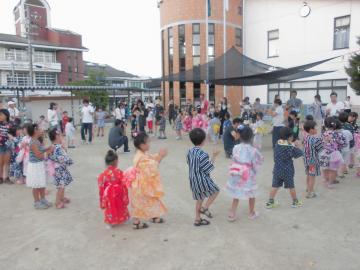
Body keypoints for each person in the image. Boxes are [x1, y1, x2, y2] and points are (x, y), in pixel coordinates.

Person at [226, 126, 263, 222]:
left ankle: (232, 214)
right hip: (248, 174)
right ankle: (251, 213)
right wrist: (254, 171)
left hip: (237, 172)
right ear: (251, 137)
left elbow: (233, 159)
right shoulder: (254, 150)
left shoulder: (236, 147)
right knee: (251, 194)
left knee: (236, 194)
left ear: (240, 136)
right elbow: (256, 163)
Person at [131, 133, 168, 229]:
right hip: (140, 184)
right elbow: (152, 167)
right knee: (139, 203)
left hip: (144, 183)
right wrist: (160, 156)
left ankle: (154, 216)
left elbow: (152, 158)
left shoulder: (143, 153)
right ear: (142, 145)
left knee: (152, 200)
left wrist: (159, 155)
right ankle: (136, 222)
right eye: (148, 142)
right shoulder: (141, 157)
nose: (149, 144)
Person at [187, 128, 220, 226]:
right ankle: (204, 208)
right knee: (216, 191)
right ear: (203, 140)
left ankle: (197, 219)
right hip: (202, 179)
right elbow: (208, 168)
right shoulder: (203, 154)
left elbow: (189, 163)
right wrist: (214, 156)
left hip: (193, 179)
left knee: (199, 198)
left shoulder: (189, 152)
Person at [265, 127, 303, 209]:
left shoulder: (277, 143)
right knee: (291, 186)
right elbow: (300, 153)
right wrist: (298, 145)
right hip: (287, 170)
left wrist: (292, 144)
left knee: (275, 186)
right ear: (290, 137)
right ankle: (295, 202)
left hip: (277, 169)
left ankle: (270, 202)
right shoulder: (290, 147)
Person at [98, 150, 130, 227]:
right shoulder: (119, 172)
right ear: (116, 161)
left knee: (110, 208)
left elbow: (101, 188)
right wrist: (125, 196)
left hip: (108, 195)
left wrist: (102, 200)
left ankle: (110, 222)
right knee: (121, 206)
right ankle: (123, 219)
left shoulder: (102, 175)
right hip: (119, 193)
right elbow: (124, 184)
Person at [26, 124, 54, 209]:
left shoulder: (37, 140)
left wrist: (49, 147)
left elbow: (41, 150)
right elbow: (39, 155)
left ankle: (43, 199)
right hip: (35, 166)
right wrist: (49, 151)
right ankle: (37, 202)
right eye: (39, 129)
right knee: (35, 185)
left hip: (39, 165)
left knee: (41, 183)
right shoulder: (33, 142)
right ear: (35, 131)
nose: (41, 130)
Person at [48, 129, 74, 209]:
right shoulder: (57, 147)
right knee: (61, 186)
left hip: (60, 169)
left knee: (62, 185)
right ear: (56, 136)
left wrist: (64, 147)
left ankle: (62, 198)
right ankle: (57, 202)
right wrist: (69, 161)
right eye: (61, 136)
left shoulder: (54, 146)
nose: (62, 137)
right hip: (59, 169)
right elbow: (62, 158)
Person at [319, 117, 347, 189]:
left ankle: (325, 180)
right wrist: (338, 146)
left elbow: (320, 143)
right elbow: (344, 143)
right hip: (334, 153)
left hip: (324, 153)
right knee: (333, 169)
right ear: (334, 125)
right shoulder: (338, 134)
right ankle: (330, 183)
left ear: (325, 125)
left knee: (325, 168)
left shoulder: (323, 133)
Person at [302, 120, 324, 198]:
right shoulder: (316, 139)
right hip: (313, 161)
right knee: (312, 177)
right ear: (311, 130)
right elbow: (321, 149)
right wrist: (325, 141)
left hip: (306, 160)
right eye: (315, 128)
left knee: (308, 175)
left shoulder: (305, 138)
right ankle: (310, 193)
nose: (317, 129)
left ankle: (308, 189)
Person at [338, 112, 354, 178]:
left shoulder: (337, 125)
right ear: (347, 118)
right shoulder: (349, 126)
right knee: (345, 159)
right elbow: (351, 137)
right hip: (347, 145)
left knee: (339, 159)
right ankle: (343, 170)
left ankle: (339, 172)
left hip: (338, 146)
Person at [0, 109, 11, 184]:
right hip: (0, 145)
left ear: (6, 115)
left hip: (8, 145)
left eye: (1, 115)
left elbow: (13, 134)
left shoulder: (10, 124)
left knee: (7, 162)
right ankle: (0, 178)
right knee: (0, 162)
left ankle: (6, 177)